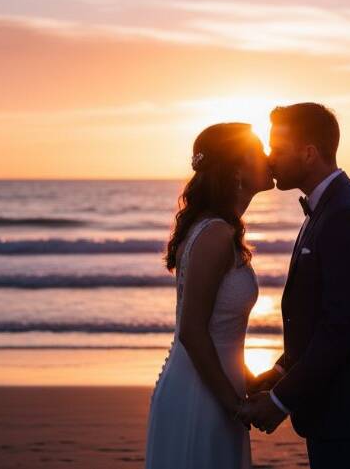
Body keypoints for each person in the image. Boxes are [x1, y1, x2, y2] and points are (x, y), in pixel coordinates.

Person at [242, 102, 350, 469]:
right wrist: (282, 370)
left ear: (309, 152)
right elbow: (317, 317)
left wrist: (281, 401)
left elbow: (340, 327)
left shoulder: (346, 215)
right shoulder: (327, 209)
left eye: (277, 149)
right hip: (335, 403)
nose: (270, 159)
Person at [144, 122, 273, 469]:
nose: (269, 157)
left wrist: (249, 381)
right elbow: (192, 331)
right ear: (236, 171)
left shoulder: (219, 229)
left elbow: (219, 331)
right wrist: (234, 405)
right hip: (200, 397)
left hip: (214, 388)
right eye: (258, 151)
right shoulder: (214, 234)